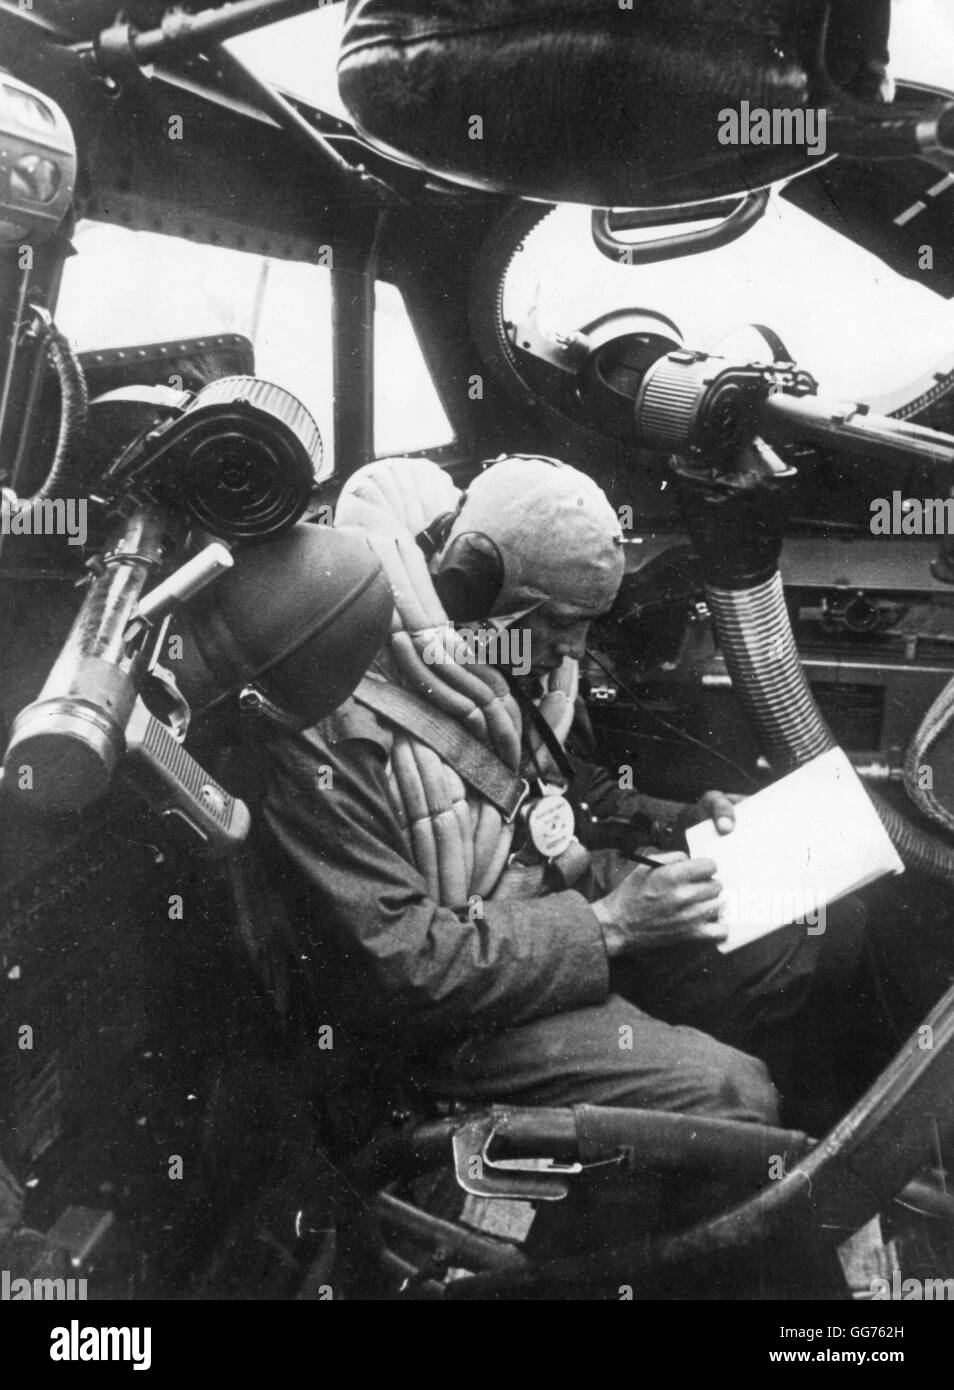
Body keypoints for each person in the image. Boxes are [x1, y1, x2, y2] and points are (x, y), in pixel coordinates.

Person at [258, 454, 886, 1146]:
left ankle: (773, 1170)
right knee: (727, 1096)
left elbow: (558, 787)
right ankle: (681, 1195)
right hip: (454, 1017)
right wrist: (609, 926)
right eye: (559, 622)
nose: (574, 649)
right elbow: (404, 969)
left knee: (823, 928)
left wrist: (677, 821)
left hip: (554, 913)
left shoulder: (497, 650)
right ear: (472, 584)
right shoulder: (328, 718)